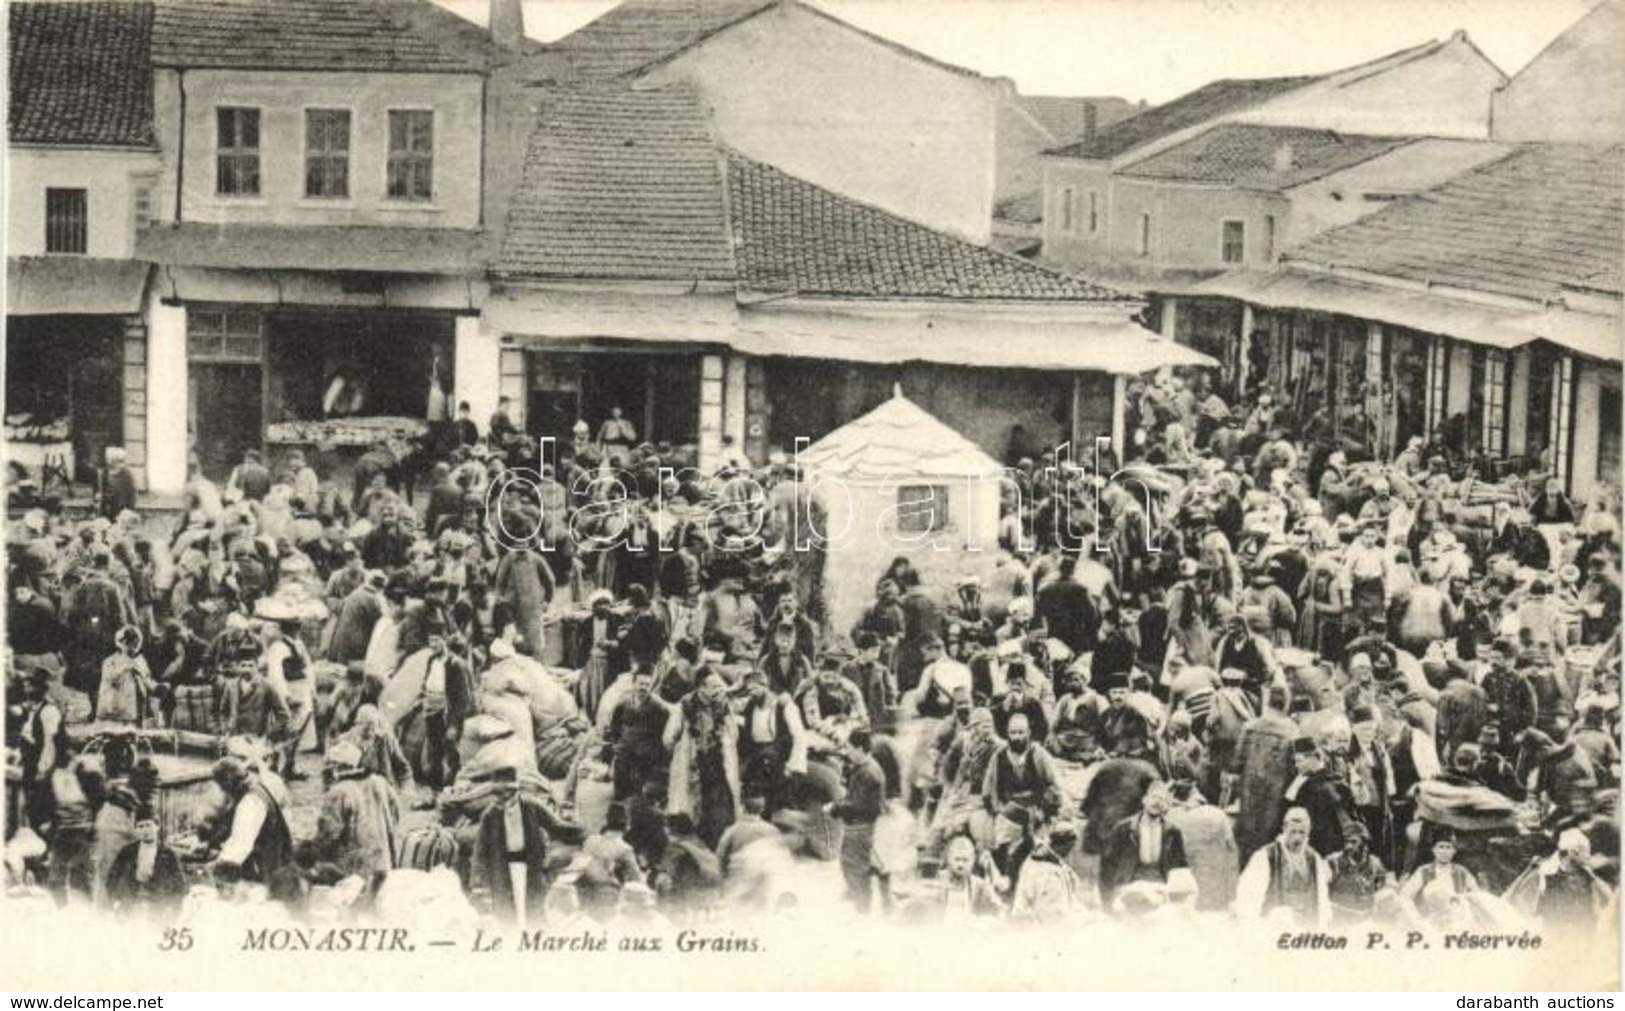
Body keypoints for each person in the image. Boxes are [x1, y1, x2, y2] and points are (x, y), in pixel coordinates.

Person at [313, 740, 400, 894]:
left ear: (337, 767)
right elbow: (396, 815)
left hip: (352, 870)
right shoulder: (380, 782)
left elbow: (328, 835)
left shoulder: (339, 791)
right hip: (383, 862)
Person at [209, 755, 296, 890]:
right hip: (270, 859)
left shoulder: (251, 802)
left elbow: (239, 847)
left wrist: (217, 867)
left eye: (221, 786)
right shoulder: (253, 787)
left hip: (268, 867)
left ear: (227, 782)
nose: (222, 791)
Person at [1235, 807, 1332, 927]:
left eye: (1301, 832)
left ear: (1309, 831)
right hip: (1274, 928)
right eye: (1293, 831)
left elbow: (1322, 899)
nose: (1297, 838)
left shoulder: (1314, 858)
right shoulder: (1266, 856)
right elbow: (1247, 897)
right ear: (1284, 828)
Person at [1099, 781, 1189, 908]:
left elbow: (1181, 867)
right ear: (1144, 800)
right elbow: (1107, 866)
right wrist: (1107, 902)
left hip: (1161, 887)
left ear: (1168, 807)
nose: (1158, 803)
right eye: (1154, 797)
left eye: (1163, 800)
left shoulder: (1173, 832)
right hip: (1129, 886)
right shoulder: (1123, 829)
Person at [829, 727, 885, 914]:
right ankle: (866, 895)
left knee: (855, 868)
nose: (847, 752)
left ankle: (862, 911)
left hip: (860, 827)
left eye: (850, 747)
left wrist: (835, 807)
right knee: (853, 864)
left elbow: (858, 805)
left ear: (860, 748)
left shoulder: (868, 773)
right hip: (860, 826)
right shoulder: (866, 768)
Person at [1397, 830, 1477, 926]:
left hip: (1457, 924)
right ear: (1433, 850)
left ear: (1454, 851)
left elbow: (1477, 895)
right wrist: (1417, 921)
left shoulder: (1462, 872)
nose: (1444, 851)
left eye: (1448, 847)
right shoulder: (1424, 871)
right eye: (1441, 847)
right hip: (1430, 924)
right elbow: (1405, 895)